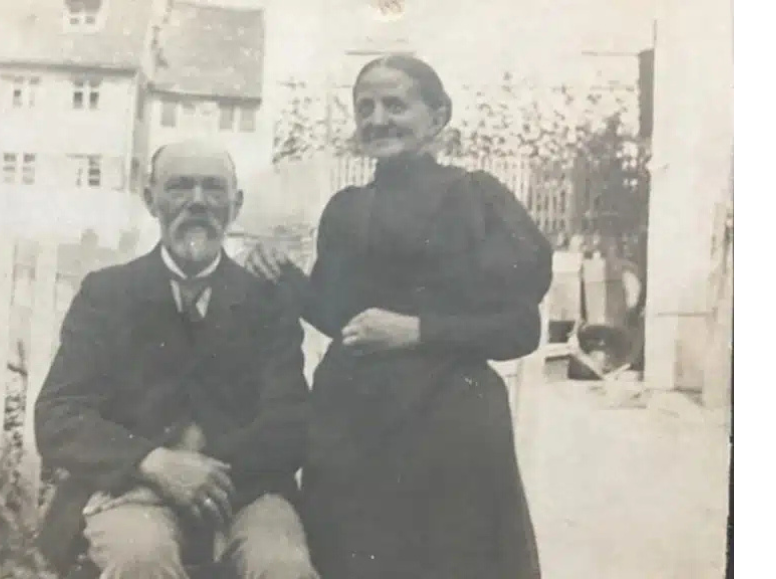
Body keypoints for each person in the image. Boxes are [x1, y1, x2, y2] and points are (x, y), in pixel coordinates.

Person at [245, 55, 552, 579]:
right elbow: (342, 319)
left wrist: (417, 331)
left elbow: (520, 328)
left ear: (437, 117)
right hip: (352, 423)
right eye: (365, 107)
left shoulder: (477, 199)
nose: (377, 119)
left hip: (449, 421)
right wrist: (281, 276)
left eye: (395, 105)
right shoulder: (345, 209)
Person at [34, 140, 319, 579]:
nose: (198, 203)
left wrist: (201, 474)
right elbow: (58, 416)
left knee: (283, 566)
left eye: (214, 189)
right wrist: (152, 464)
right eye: (180, 187)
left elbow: (290, 421)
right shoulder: (108, 295)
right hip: (130, 490)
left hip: (247, 492)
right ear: (151, 200)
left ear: (235, 203)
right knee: (140, 559)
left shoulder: (267, 302)